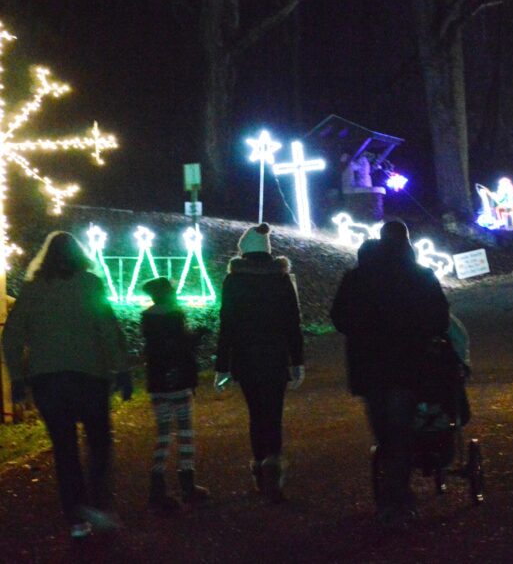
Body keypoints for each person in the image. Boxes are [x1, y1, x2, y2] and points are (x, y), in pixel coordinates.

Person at [2, 231, 131, 541]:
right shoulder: (90, 285)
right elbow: (108, 330)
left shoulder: (32, 291)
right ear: (78, 255)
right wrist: (122, 370)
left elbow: (12, 336)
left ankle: (76, 518)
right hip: (89, 377)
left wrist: (18, 379)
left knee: (65, 448)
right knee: (99, 441)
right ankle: (99, 505)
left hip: (48, 381)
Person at [330, 220, 449, 524]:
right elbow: (440, 318)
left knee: (384, 433)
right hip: (407, 367)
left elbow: (339, 318)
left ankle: (388, 498)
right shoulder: (419, 276)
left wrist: (362, 333)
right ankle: (397, 498)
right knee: (401, 434)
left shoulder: (357, 278)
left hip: (369, 370)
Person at [214, 223, 304, 503]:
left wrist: (222, 366)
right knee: (273, 415)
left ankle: (259, 469)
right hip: (276, 358)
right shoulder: (281, 279)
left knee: (256, 415)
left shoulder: (235, 280)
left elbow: (226, 324)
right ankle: (273, 473)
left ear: (244, 251)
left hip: (246, 358)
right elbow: (293, 323)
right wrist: (297, 361)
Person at [141, 277, 209, 511]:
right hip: (179, 381)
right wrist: (198, 336)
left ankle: (157, 487)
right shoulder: (175, 315)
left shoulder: (147, 318)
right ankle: (187, 484)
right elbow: (182, 346)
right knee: (185, 432)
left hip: (158, 383)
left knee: (163, 434)